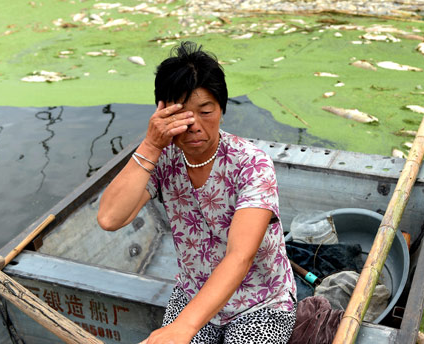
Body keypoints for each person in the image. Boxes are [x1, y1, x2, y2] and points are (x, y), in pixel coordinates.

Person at [97, 41, 297, 344]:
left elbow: (239, 257)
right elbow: (110, 218)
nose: (194, 126)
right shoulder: (164, 158)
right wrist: (150, 146)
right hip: (194, 290)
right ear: (162, 113)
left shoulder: (252, 164)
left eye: (205, 111)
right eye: (182, 115)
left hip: (259, 299)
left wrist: (183, 328)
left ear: (221, 109)